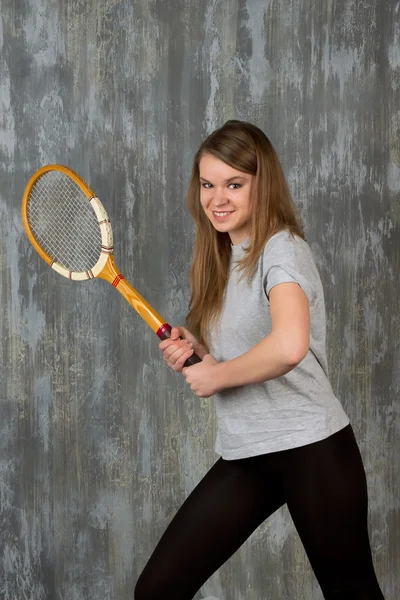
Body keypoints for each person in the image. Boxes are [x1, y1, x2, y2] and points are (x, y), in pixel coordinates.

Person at [134, 120, 385, 599]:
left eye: (234, 184)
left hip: (313, 450)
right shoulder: (223, 258)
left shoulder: (282, 249)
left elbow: (290, 345)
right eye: (208, 184)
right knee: (157, 590)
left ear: (260, 184)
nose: (217, 198)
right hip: (248, 456)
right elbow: (253, 349)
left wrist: (218, 375)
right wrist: (202, 354)